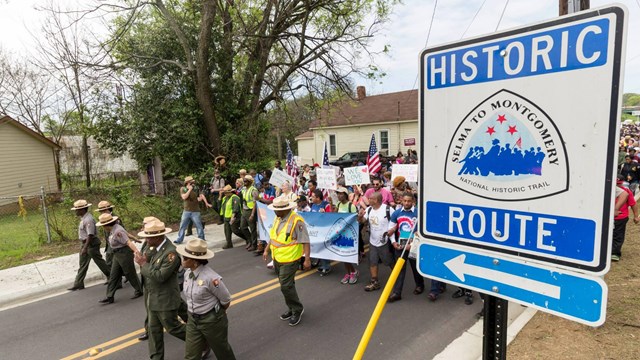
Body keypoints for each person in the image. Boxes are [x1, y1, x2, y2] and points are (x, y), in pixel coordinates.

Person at [134, 220, 186, 359]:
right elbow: (149, 261)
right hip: (153, 298)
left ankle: (200, 340)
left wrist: (143, 263)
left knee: (173, 328)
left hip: (165, 298)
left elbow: (160, 276)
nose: (146, 239)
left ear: (157, 237)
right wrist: (144, 260)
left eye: (148, 237)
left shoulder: (171, 253)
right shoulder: (152, 247)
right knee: (153, 331)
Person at [178, 239, 236, 360]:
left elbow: (225, 299)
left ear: (195, 261)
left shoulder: (211, 278)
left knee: (222, 351)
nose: (183, 259)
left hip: (211, 321)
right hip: (193, 319)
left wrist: (217, 314)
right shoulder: (187, 273)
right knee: (190, 355)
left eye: (186, 258)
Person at [387, 192, 445, 302]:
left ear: (413, 201)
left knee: (416, 268)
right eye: (405, 201)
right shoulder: (397, 213)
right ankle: (396, 292)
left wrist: (412, 245)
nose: (407, 203)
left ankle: (420, 285)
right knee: (399, 269)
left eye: (409, 201)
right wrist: (394, 242)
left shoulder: (419, 213)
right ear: (401, 201)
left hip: (414, 246)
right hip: (400, 245)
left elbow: (423, 231)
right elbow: (391, 227)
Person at [262, 197, 311, 326]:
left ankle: (297, 309)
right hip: (278, 258)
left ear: (285, 209)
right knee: (287, 285)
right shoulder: (277, 218)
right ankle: (291, 307)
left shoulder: (297, 221)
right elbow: (273, 237)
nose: (275, 212)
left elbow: (305, 241)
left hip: (290, 259)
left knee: (285, 286)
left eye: (277, 210)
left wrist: (307, 259)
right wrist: (266, 250)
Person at [96, 213, 144, 304]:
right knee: (113, 274)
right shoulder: (114, 229)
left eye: (102, 225)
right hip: (117, 254)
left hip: (124, 253)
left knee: (130, 273)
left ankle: (139, 290)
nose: (102, 227)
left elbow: (128, 242)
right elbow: (127, 234)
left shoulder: (117, 231)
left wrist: (136, 251)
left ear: (106, 225)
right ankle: (109, 296)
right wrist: (136, 238)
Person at [67, 200, 111, 291]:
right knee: (83, 263)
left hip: (91, 243)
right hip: (85, 243)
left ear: (82, 210)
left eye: (77, 210)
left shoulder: (88, 220)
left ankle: (112, 276)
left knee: (99, 261)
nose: (76, 211)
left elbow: (90, 235)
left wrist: (85, 247)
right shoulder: (84, 218)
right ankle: (79, 283)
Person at [358, 192, 395, 292]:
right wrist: (360, 216)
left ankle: (397, 276)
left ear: (376, 200)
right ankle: (374, 282)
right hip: (373, 241)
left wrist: (391, 231)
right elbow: (362, 221)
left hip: (385, 241)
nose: (368, 200)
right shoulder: (369, 209)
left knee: (388, 261)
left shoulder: (388, 209)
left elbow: (396, 221)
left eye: (370, 199)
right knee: (372, 261)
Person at [175, 176, 212, 244]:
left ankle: (201, 238)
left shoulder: (196, 189)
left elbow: (200, 196)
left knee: (199, 225)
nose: (194, 183)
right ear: (188, 183)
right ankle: (179, 239)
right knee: (182, 225)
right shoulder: (183, 189)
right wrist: (189, 190)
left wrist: (205, 202)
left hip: (195, 211)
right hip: (186, 211)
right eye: (192, 182)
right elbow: (184, 197)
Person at [335, 186, 359, 284]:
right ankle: (348, 273)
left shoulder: (351, 206)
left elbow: (355, 219)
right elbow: (335, 217)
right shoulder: (338, 204)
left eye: (341, 194)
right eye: (338, 194)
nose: (339, 196)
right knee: (342, 256)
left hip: (348, 234)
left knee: (347, 255)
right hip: (339, 233)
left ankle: (353, 272)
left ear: (345, 195)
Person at [612, 175, 639, 261]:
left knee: (618, 235)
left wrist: (635, 216)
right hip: (607, 217)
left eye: (619, 184)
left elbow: (633, 204)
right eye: (616, 184)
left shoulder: (626, 191)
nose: (617, 185)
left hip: (620, 218)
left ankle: (615, 253)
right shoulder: (609, 190)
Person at [310, 189, 332, 276]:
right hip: (315, 230)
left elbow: (330, 217)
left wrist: (325, 213)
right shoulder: (313, 205)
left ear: (318, 198)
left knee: (323, 248)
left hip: (324, 230)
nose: (311, 198)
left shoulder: (326, 205)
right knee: (318, 247)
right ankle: (321, 263)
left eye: (313, 197)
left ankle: (326, 266)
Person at [219, 185, 243, 249]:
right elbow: (220, 206)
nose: (225, 194)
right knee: (227, 231)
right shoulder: (225, 198)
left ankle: (248, 238)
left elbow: (235, 208)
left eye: (225, 193)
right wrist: (220, 195)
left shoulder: (235, 197)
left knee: (235, 230)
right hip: (226, 217)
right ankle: (229, 243)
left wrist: (232, 217)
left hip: (234, 217)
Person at [240, 174, 259, 251]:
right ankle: (250, 241)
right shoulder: (244, 189)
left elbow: (255, 203)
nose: (244, 182)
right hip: (244, 210)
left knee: (252, 228)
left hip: (251, 210)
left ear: (250, 182)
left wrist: (252, 214)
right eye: (244, 181)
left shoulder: (253, 190)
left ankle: (254, 245)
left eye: (246, 181)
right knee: (242, 227)